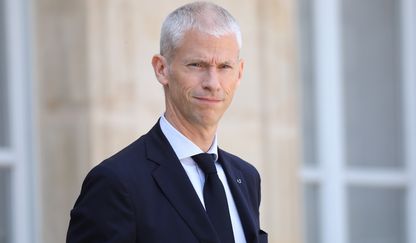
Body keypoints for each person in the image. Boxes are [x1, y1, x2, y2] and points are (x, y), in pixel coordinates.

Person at [66, 2, 267, 243]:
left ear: (240, 73)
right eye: (197, 65)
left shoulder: (246, 178)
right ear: (162, 69)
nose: (213, 83)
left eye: (225, 67)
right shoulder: (116, 183)